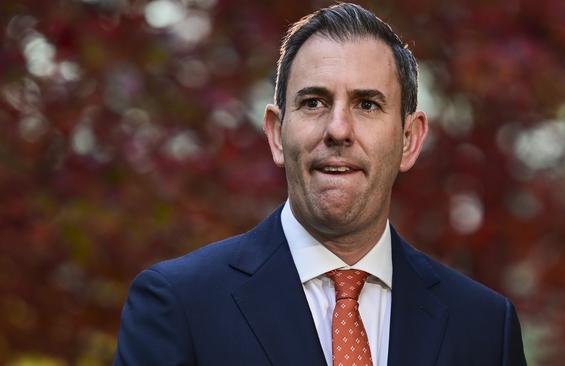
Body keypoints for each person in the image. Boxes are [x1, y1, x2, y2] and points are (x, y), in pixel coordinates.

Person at [113, 3, 527, 366]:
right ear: (277, 133)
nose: (338, 129)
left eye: (367, 104)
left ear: (409, 140)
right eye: (314, 103)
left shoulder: (485, 328)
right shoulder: (180, 306)